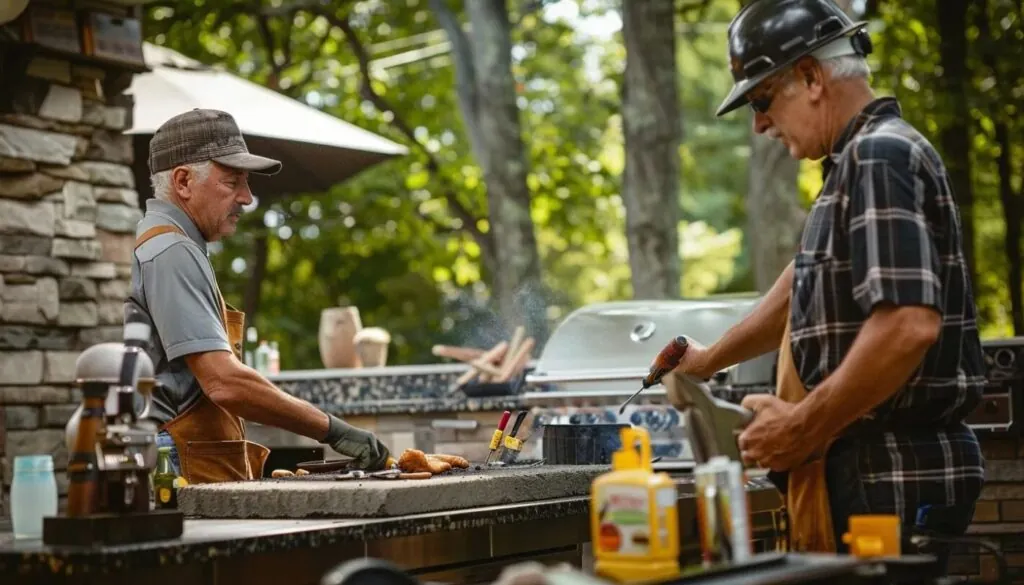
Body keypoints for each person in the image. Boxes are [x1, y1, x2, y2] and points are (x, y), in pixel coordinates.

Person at [666, 0, 985, 566]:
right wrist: (710, 360)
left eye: (762, 100)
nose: (759, 124)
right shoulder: (851, 166)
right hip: (872, 469)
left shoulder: (878, 156)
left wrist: (802, 427)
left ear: (811, 76)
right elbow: (801, 284)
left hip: (891, 471)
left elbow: (908, 325)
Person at [126, 108, 391, 483]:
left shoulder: (165, 242)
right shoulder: (171, 250)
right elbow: (224, 382)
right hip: (175, 465)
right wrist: (333, 430)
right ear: (183, 181)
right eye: (232, 181)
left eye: (246, 182)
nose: (248, 198)